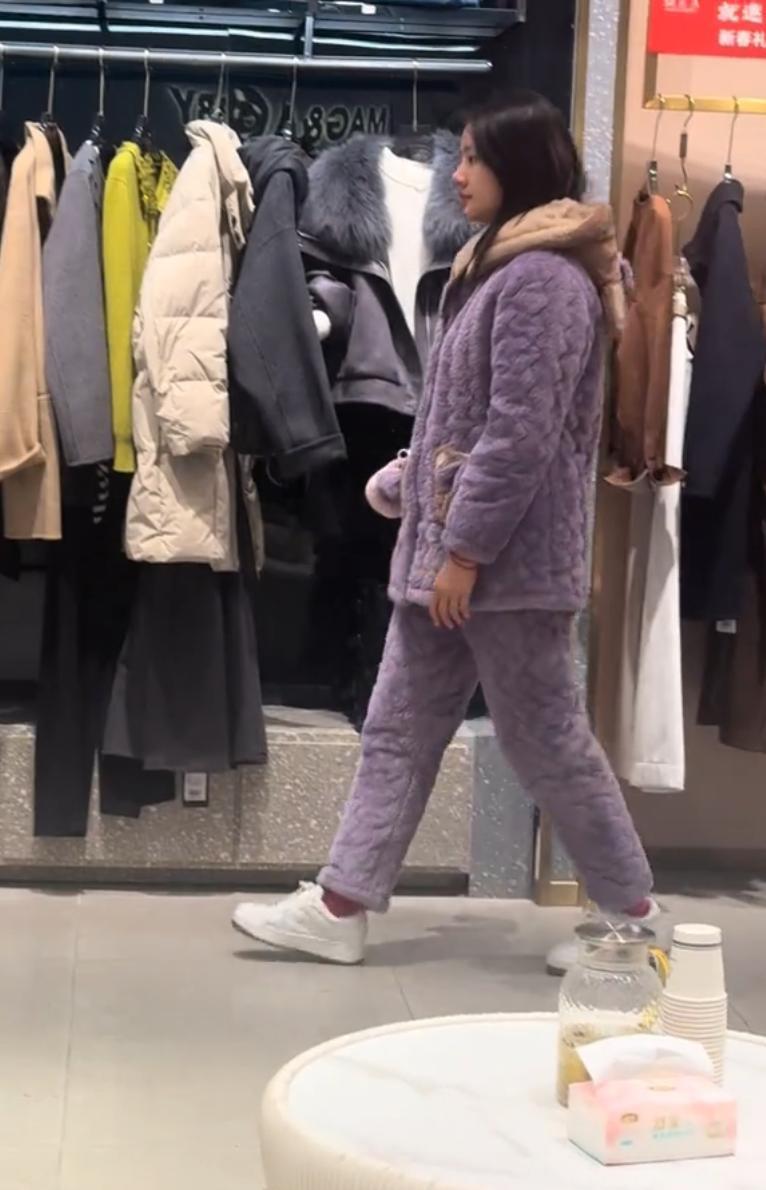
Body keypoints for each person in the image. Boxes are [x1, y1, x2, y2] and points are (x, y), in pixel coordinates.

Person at [233, 92, 657, 965]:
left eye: (472, 157)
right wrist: (405, 485)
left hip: (506, 571)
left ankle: (633, 922)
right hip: (449, 564)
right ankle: (341, 906)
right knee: (397, 729)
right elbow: (459, 421)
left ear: (519, 165)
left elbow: (522, 435)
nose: (455, 175)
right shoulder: (496, 264)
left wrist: (464, 548)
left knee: (547, 742)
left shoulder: (543, 280)